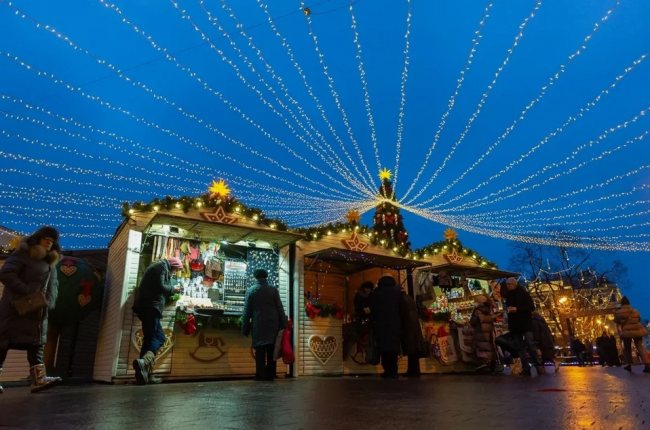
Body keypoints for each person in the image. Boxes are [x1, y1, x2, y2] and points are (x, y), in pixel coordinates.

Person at [0, 226, 62, 394]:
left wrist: (49, 302)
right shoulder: (22, 255)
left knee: (36, 343)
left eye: (52, 241)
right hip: (15, 309)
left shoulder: (50, 263)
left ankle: (38, 379)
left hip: (39, 311)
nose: (49, 243)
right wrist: (28, 291)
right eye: (46, 239)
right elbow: (6, 274)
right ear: (37, 239)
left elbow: (53, 286)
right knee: (3, 342)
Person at [131, 257, 183, 385]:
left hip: (149, 307)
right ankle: (145, 362)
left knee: (151, 339)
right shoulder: (161, 267)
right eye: (176, 270)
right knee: (158, 338)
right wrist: (174, 289)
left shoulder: (160, 267)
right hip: (150, 307)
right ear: (173, 266)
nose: (175, 272)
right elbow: (161, 286)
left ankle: (145, 375)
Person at [242, 269, 287, 381]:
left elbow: (247, 311)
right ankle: (271, 374)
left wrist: (245, 328)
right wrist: (283, 324)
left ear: (255, 277)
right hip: (273, 324)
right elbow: (280, 308)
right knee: (272, 350)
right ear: (266, 277)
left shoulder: (251, 291)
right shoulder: (273, 290)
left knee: (260, 350)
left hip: (259, 323)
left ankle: (260, 375)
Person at [504, 277, 542, 376]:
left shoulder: (524, 294)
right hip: (516, 325)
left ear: (514, 284)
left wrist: (517, 309)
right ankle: (526, 368)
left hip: (525, 323)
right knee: (520, 347)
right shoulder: (509, 296)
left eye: (508, 284)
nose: (507, 286)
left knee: (530, 344)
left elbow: (531, 307)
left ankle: (538, 365)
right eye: (507, 284)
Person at [369, 275, 403, 378]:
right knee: (393, 348)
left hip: (381, 325)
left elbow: (373, 309)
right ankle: (393, 369)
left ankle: (387, 369)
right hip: (395, 324)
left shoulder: (377, 293)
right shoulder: (397, 293)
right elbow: (401, 309)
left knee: (384, 348)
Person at [614, 296, 650, 373]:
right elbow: (639, 319)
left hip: (626, 332)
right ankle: (647, 364)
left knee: (627, 349)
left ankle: (629, 365)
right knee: (640, 348)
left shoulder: (619, 312)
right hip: (637, 331)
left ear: (622, 303)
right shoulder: (635, 311)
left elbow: (616, 321)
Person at [399, 286, 426, 377]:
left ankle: (412, 371)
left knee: (411, 350)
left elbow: (402, 313)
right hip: (413, 326)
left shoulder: (402, 299)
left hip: (408, 327)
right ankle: (414, 370)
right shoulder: (409, 298)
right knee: (413, 351)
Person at [470, 294, 496, 372]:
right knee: (488, 347)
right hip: (488, 332)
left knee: (480, 348)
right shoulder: (489, 310)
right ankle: (490, 364)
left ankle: (483, 365)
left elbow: (473, 321)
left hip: (480, 332)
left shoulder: (477, 311)